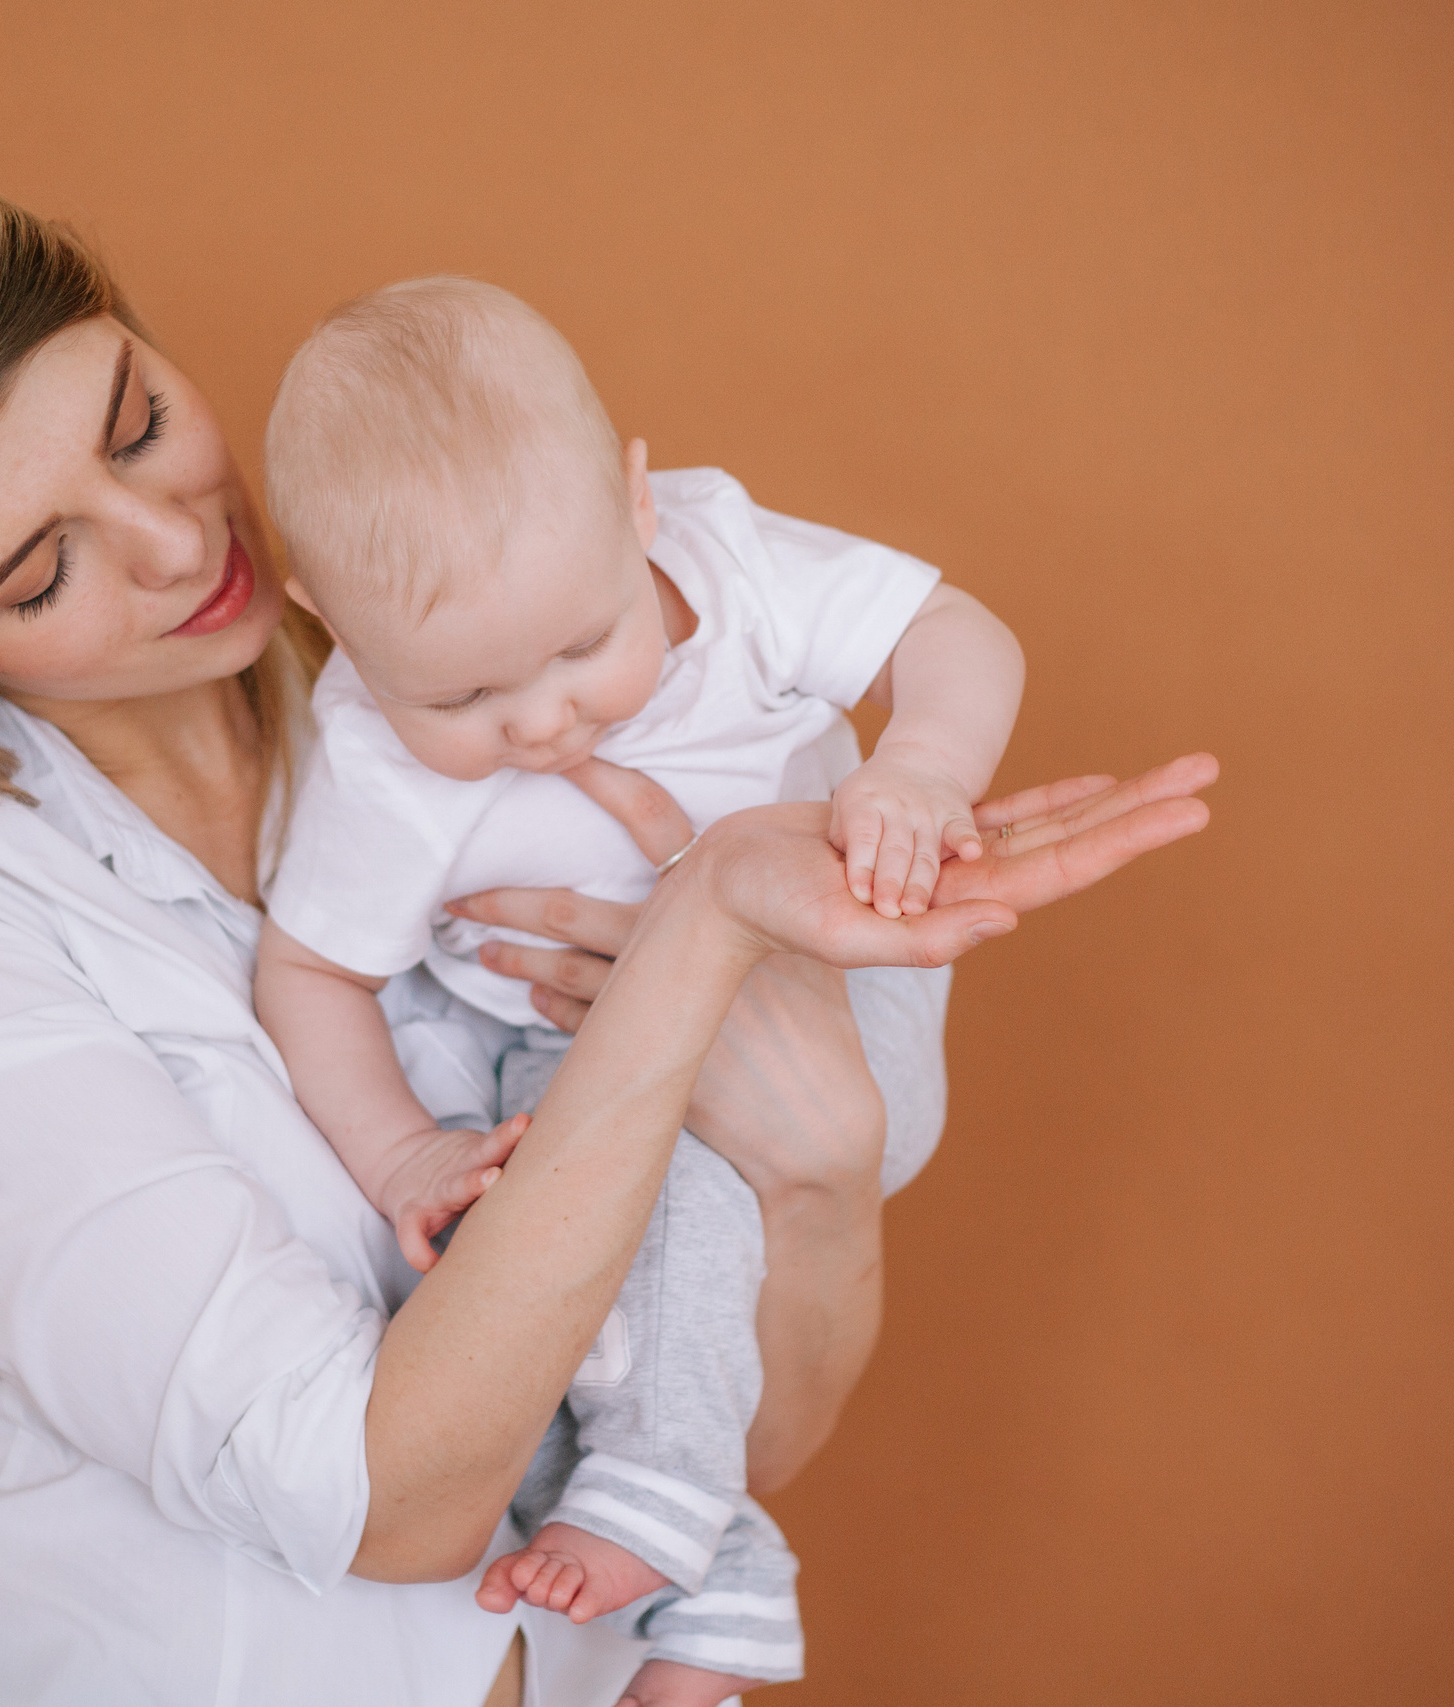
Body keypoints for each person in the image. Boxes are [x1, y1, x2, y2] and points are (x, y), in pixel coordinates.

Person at [0, 152, 1217, 1707]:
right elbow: (389, 1504)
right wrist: (696, 946)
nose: (182, 539)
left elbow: (734, 1431)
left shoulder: (462, 657)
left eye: (133, 419)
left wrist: (823, 1169)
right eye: (38, 575)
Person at [250, 277, 1027, 1707]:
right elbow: (307, 972)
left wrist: (920, 766)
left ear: (638, 502)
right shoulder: (370, 755)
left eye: (578, 647)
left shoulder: (736, 572)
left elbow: (955, 629)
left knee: (640, 1206)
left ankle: (684, 1521)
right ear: (331, 624)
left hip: (835, 1012)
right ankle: (715, 1597)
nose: (544, 721)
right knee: (521, 1271)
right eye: (465, 702)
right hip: (571, 1048)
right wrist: (403, 1150)